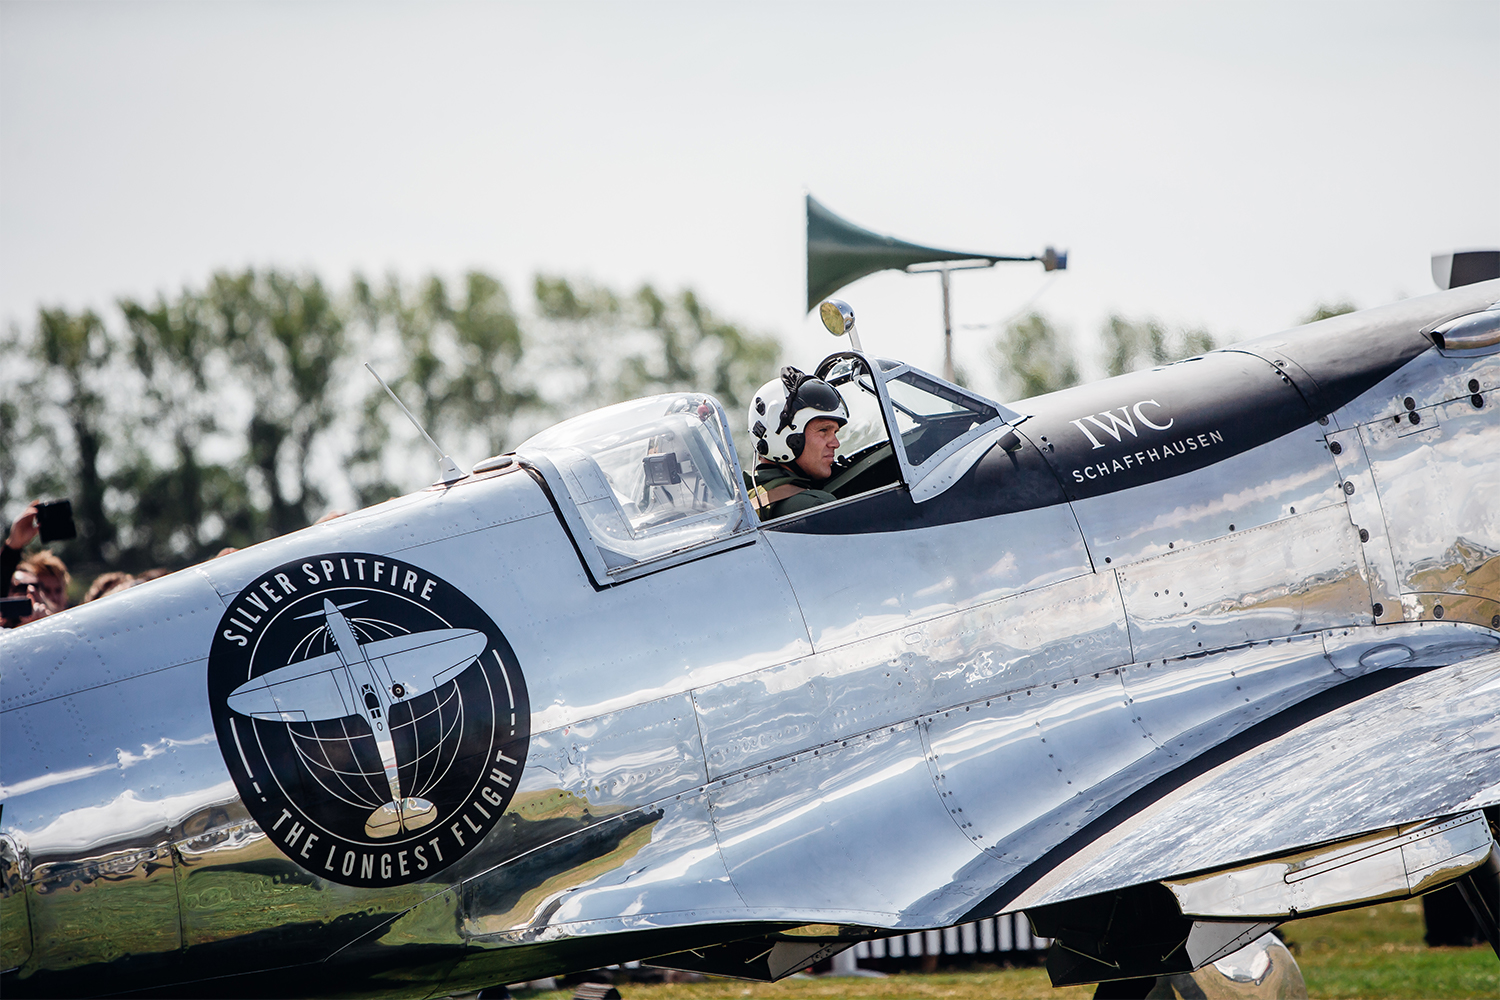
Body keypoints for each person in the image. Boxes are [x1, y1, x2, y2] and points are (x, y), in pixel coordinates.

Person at [746, 366, 849, 520]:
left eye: (835, 433)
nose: (835, 443)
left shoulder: (745, 495)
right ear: (785, 435)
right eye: (823, 430)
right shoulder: (816, 506)